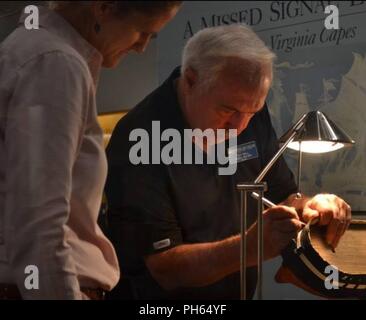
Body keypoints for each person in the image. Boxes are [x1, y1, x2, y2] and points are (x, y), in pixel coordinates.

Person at [104, 25, 351, 300]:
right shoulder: (138, 137)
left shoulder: (244, 107)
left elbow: (282, 195)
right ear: (190, 80)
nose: (240, 126)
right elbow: (165, 269)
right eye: (227, 110)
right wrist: (251, 247)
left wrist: (310, 205)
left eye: (252, 111)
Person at [0, 1, 181, 299]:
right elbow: (39, 221)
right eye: (142, 31)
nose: (142, 48)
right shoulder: (55, 62)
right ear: (103, 7)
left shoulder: (32, 50)